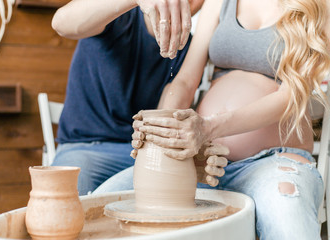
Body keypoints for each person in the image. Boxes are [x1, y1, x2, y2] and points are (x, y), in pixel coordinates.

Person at [96, 0, 330, 239]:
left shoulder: (317, 5)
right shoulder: (220, 1)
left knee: (287, 215)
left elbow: (290, 97)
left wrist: (209, 127)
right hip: (203, 162)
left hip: (274, 162)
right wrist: (159, 132)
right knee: (98, 208)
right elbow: (185, 82)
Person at [50, 0, 228, 196]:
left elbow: (171, 104)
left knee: (197, 194)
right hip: (85, 149)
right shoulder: (116, 16)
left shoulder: (186, 49)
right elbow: (61, 23)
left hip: (141, 151)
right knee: (64, 201)